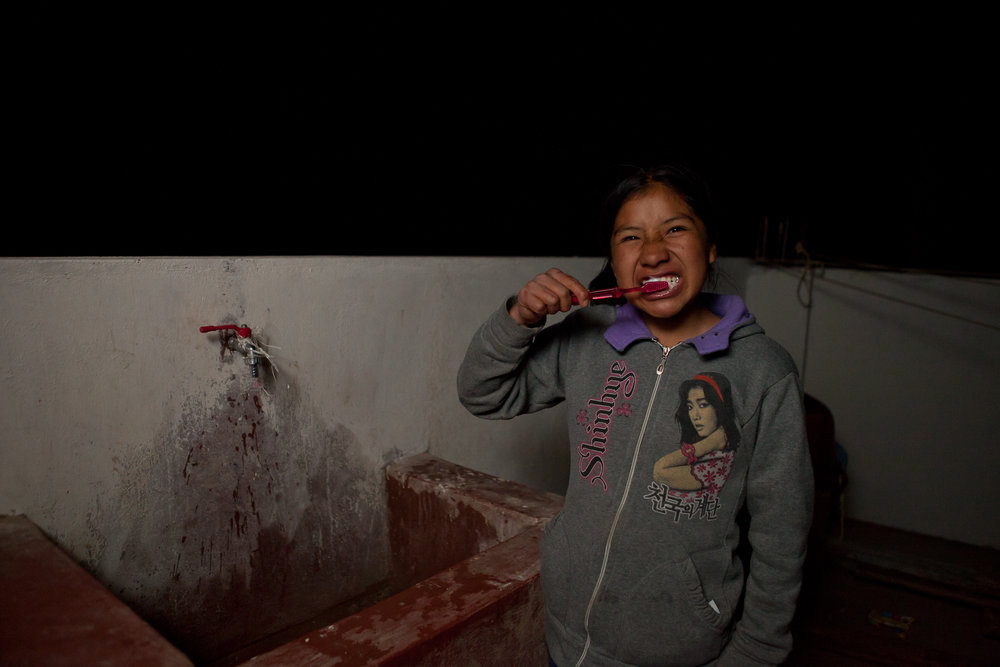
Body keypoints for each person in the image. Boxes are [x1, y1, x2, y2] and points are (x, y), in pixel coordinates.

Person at [457, 164, 814, 666]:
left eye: (675, 228)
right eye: (631, 237)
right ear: (615, 261)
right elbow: (482, 393)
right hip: (566, 635)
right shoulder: (587, 338)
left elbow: (783, 529)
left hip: (676, 647)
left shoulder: (764, 371)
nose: (653, 251)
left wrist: (756, 650)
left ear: (710, 248)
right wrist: (518, 317)